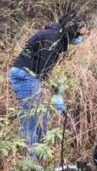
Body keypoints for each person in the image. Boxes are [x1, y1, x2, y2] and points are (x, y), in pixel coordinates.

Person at [9, 11, 85, 156]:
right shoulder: (52, 38)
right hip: (25, 76)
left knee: (43, 119)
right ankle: (28, 164)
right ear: (72, 30)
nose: (80, 38)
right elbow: (44, 70)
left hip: (34, 77)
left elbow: (44, 70)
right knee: (31, 120)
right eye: (79, 34)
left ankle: (39, 160)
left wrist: (55, 91)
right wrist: (56, 95)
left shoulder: (58, 37)